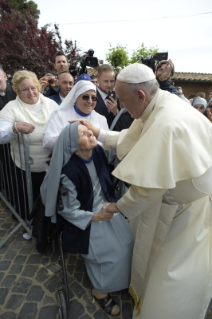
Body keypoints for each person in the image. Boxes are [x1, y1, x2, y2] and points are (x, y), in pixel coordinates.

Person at [79, 63, 212, 319]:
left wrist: (116, 207)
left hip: (192, 210)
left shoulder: (165, 122)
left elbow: (147, 192)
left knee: (172, 277)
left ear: (141, 95)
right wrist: (99, 133)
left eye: (125, 101)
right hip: (171, 201)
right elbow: (133, 135)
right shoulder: (158, 103)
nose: (123, 107)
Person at [40, 122, 134, 316]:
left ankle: (119, 279)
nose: (91, 133)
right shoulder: (68, 172)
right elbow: (69, 210)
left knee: (129, 243)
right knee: (111, 252)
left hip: (108, 208)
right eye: (83, 133)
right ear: (73, 145)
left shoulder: (98, 152)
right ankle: (99, 290)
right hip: (87, 218)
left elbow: (119, 149)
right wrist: (97, 216)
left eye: (89, 130)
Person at [0, 70, 58, 218]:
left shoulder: (51, 104)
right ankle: (28, 227)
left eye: (33, 87)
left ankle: (45, 230)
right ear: (18, 92)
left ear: (38, 87)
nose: (31, 92)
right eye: (25, 89)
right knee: (28, 203)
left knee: (49, 202)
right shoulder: (11, 108)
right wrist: (14, 128)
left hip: (51, 166)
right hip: (25, 168)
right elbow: (1, 134)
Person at [43, 80, 109, 151]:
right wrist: (72, 136)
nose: (90, 101)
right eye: (85, 97)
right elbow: (47, 142)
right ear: (76, 98)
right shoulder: (60, 115)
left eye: (94, 98)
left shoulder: (101, 119)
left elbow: (107, 143)